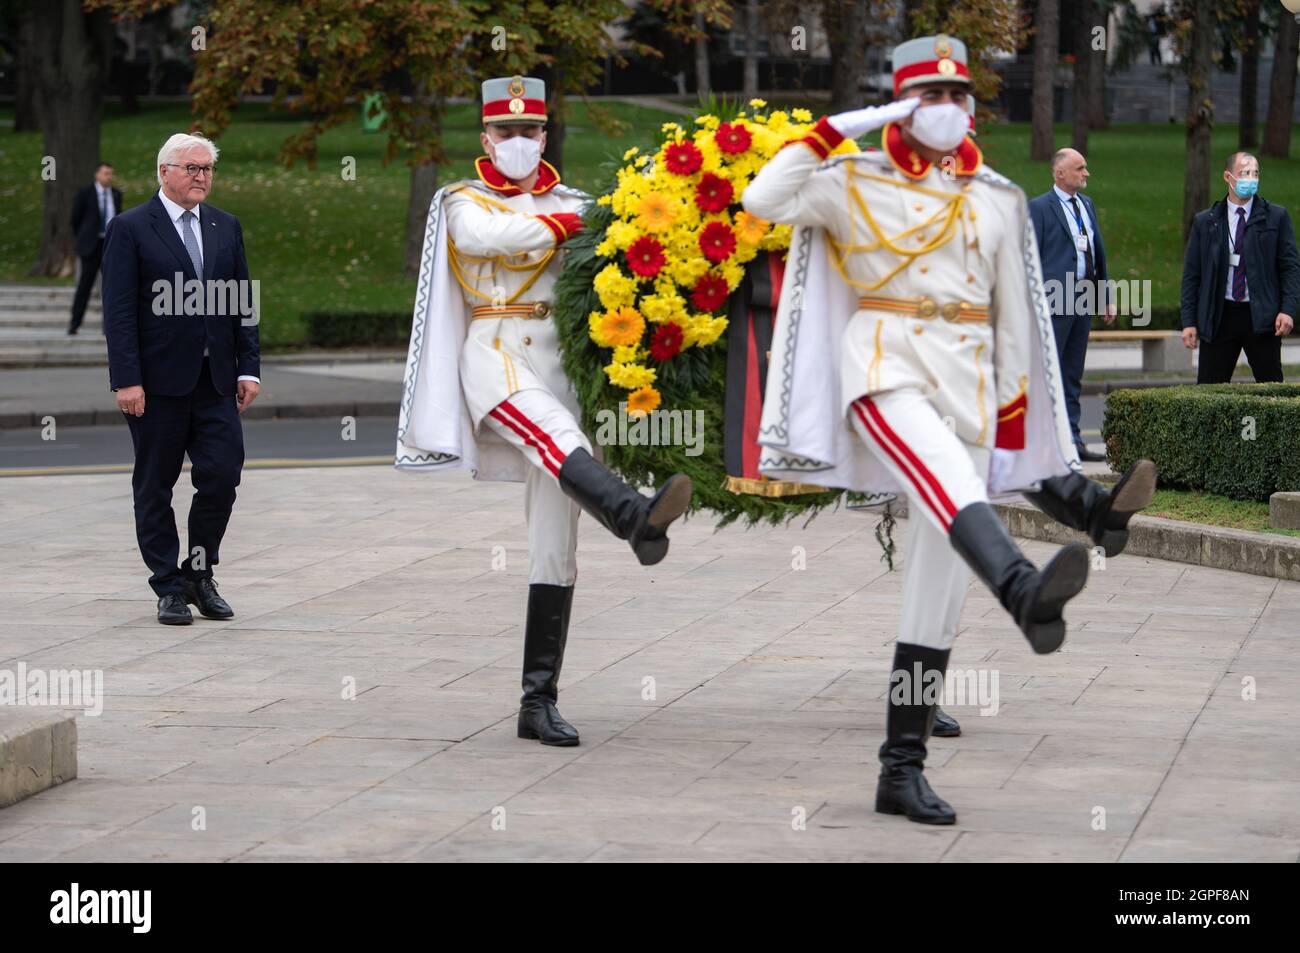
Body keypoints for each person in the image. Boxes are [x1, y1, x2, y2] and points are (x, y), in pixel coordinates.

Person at [744, 35, 1155, 824]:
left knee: (934, 593)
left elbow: (1011, 318)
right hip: (886, 370)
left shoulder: (995, 195)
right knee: (947, 483)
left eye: (956, 96)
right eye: (928, 96)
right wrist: (848, 124)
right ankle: (1025, 590)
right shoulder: (850, 178)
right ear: (903, 103)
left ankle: (901, 769)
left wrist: (1011, 417)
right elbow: (764, 198)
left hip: (968, 386)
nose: (946, 110)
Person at [398, 76, 693, 748]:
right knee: (556, 436)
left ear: (544, 134)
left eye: (531, 131)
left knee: (555, 545)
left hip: (561, 365)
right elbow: (493, 239)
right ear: (484, 138)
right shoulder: (460, 201)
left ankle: (538, 701)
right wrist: (572, 223)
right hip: (496, 353)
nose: (520, 142)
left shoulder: (579, 200)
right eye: (506, 132)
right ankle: (630, 513)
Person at [101, 133, 261, 625]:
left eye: (207, 168)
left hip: (215, 381)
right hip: (155, 384)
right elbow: (120, 310)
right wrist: (127, 379)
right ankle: (168, 587)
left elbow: (241, 301)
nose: (201, 177)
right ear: (163, 172)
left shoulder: (224, 225)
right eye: (191, 168)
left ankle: (199, 572)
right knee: (155, 486)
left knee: (221, 475)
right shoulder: (130, 228)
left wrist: (248, 366)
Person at [1181, 151, 1299, 384]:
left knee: (1271, 389)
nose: (1251, 179)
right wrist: (1189, 322)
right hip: (1220, 316)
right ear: (1228, 177)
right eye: (1244, 173)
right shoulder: (1207, 221)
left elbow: (1290, 268)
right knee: (1209, 392)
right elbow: (1192, 276)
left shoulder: (1276, 217)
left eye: (1255, 174)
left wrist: (1288, 309)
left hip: (1262, 317)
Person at [1029, 148, 1113, 462]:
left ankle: (1073, 441)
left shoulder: (1086, 205)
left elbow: (1097, 253)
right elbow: (1030, 259)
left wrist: (1105, 295)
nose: (1086, 173)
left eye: (1085, 168)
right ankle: (1045, 444)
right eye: (1080, 168)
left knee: (1072, 374)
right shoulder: (1039, 208)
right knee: (1049, 373)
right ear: (1059, 173)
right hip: (1053, 301)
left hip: (1082, 299)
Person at [69, 162, 123, 335]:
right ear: (97, 174)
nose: (109, 177)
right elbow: (76, 218)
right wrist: (84, 238)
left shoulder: (115, 194)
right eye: (106, 173)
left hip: (109, 244)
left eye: (111, 173)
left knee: (110, 286)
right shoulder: (86, 193)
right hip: (91, 245)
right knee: (84, 286)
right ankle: (75, 323)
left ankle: (108, 326)